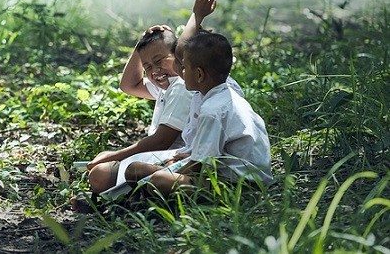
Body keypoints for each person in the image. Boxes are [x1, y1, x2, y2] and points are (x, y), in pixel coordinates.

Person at [125, 31, 272, 197]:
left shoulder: (213, 110)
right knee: (136, 170)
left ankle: (158, 204)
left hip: (241, 185)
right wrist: (180, 160)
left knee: (159, 181)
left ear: (199, 74)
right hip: (220, 172)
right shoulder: (216, 97)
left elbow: (201, 165)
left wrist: (170, 171)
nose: (179, 72)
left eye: (184, 67)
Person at [83, 26, 193, 196]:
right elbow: (128, 85)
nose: (155, 71)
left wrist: (115, 156)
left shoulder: (180, 86)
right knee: (103, 160)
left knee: (101, 174)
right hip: (160, 155)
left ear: (178, 56)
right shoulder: (166, 86)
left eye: (159, 61)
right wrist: (140, 46)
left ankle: (130, 194)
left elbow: (161, 141)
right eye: (147, 67)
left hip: (176, 158)